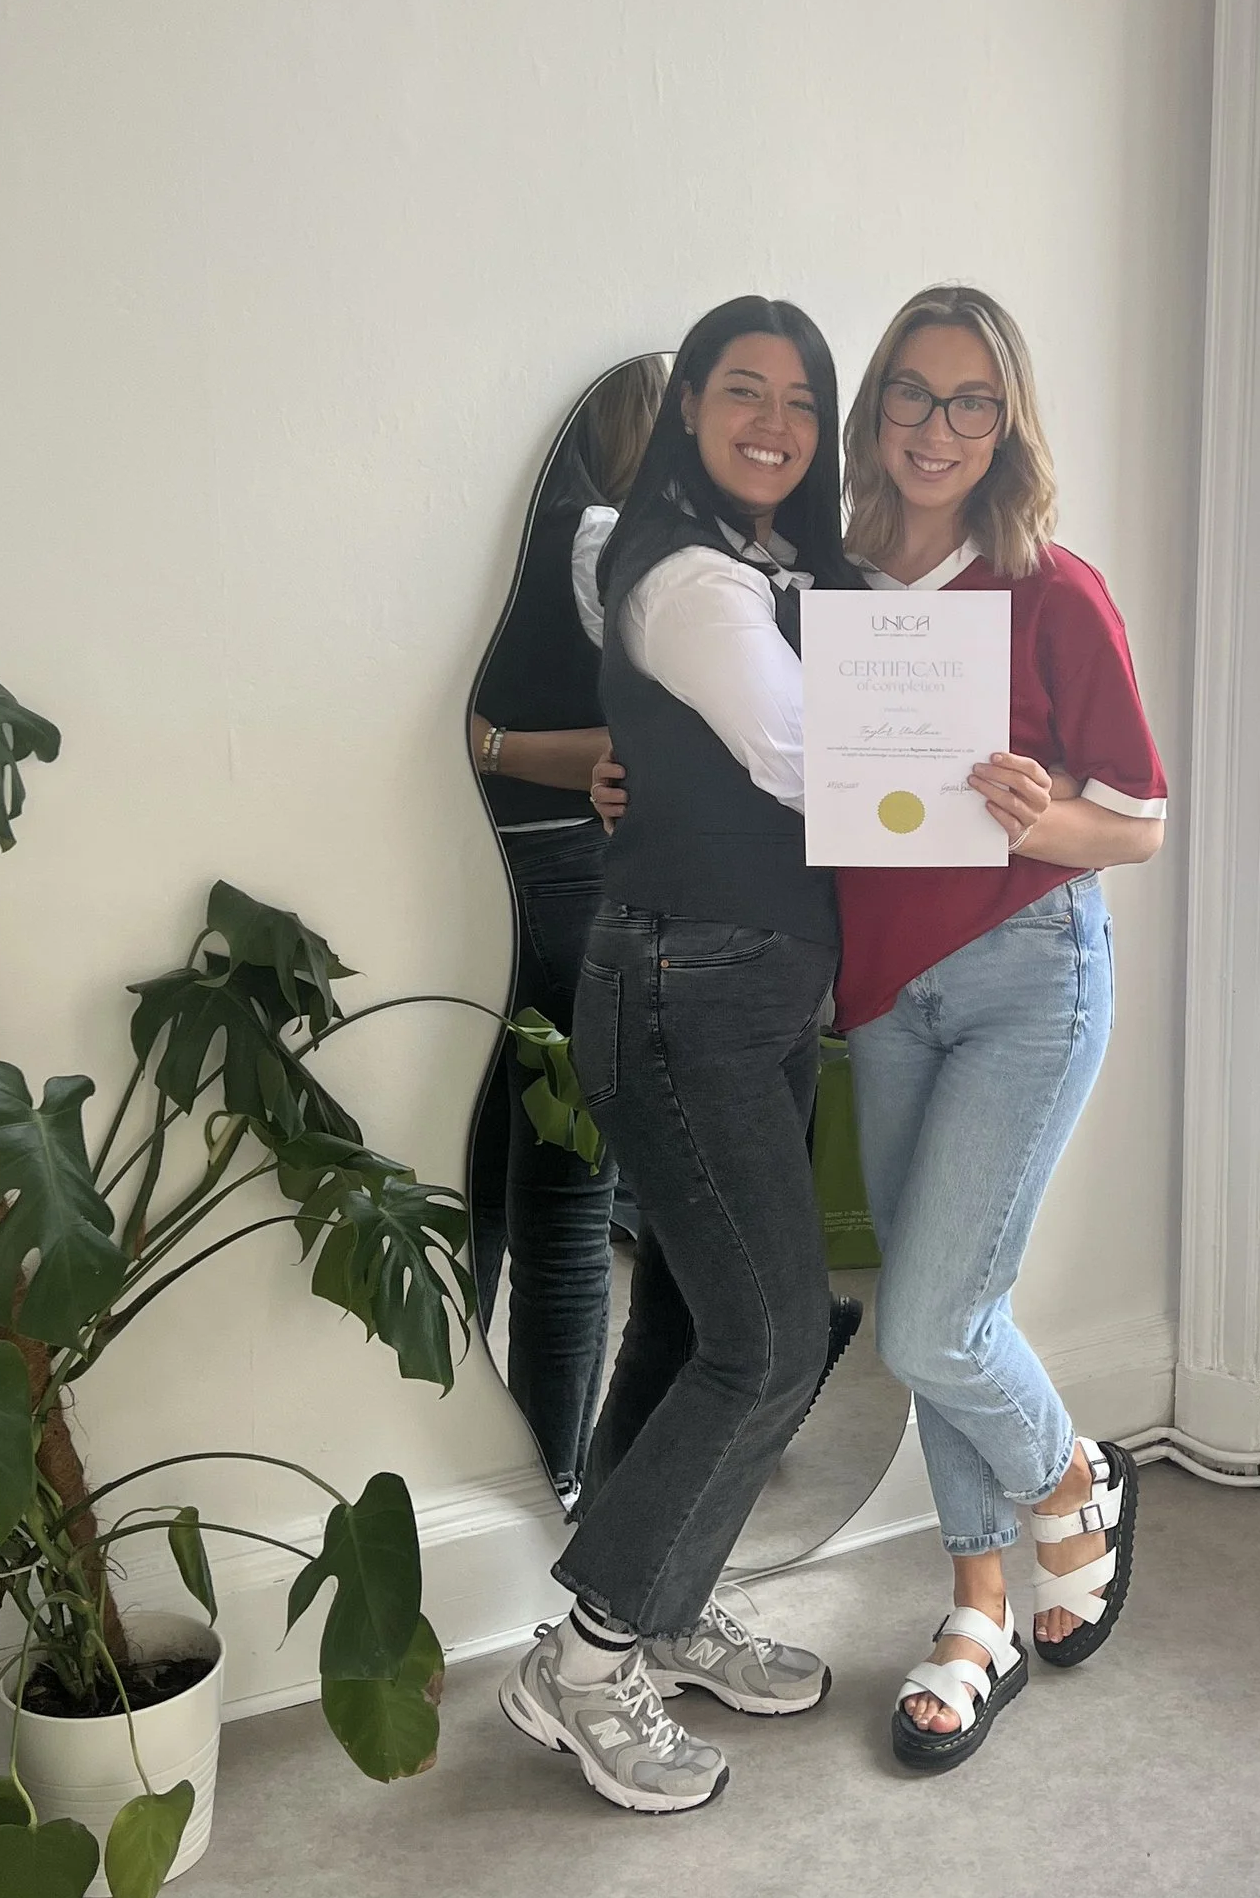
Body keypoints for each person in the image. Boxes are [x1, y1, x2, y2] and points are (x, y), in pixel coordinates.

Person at [499, 298, 855, 1815]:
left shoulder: (782, 568)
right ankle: (584, 1663)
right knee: (772, 1339)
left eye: (801, 400)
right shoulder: (697, 579)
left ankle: (669, 1598)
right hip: (684, 987)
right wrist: (963, 757)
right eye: (742, 392)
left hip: (744, 982)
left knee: (689, 1325)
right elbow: (799, 756)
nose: (774, 421)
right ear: (692, 408)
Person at [833, 288, 1166, 1772]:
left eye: (973, 402)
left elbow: (1142, 828)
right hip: (885, 993)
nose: (938, 429)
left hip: (1031, 971)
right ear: (878, 411)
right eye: (913, 394)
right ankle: (976, 1613)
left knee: (931, 1319)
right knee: (941, 1316)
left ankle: (1073, 1480)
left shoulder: (1053, 590)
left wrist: (1053, 814)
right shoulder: (830, 588)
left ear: (1008, 421)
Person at [467, 355, 663, 1503]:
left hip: (473, 869)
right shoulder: (603, 541)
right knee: (562, 1201)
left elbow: (609, 749)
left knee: (481, 1188)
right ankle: (558, 1477)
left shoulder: (494, 548)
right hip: (572, 877)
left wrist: (484, 745)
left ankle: (500, 1472)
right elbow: (625, 751)